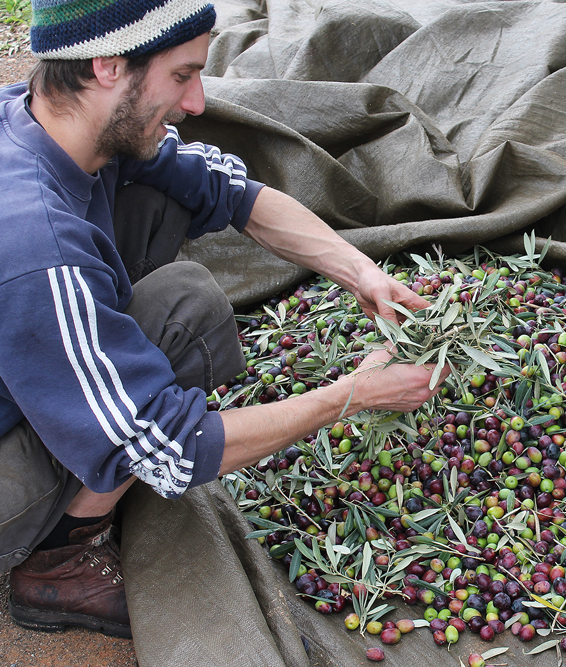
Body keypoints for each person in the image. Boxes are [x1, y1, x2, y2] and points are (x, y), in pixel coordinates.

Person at [0, 0, 447, 639]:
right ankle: (60, 564)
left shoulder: (45, 118)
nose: (198, 101)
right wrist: (352, 395)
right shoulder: (35, 245)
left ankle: (90, 419)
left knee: (184, 288)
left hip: (22, 358)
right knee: (160, 389)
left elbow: (232, 191)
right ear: (107, 65)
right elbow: (173, 448)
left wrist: (362, 273)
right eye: (182, 75)